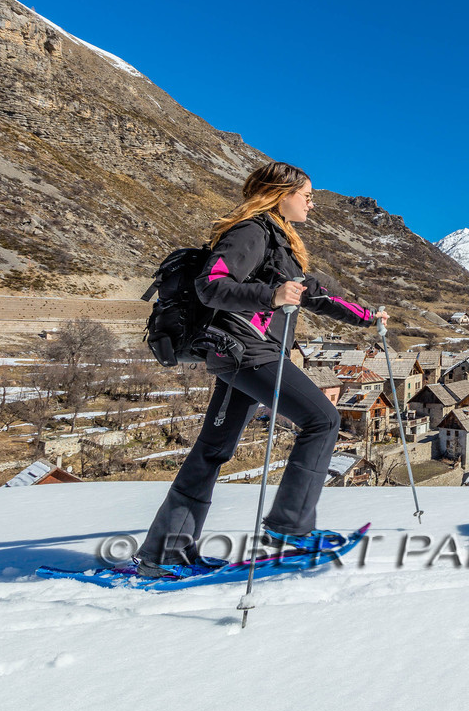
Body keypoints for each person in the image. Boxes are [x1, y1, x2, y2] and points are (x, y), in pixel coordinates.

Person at [134, 162, 384, 578]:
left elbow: (313, 296)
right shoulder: (252, 230)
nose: (312, 202)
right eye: (306, 194)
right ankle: (291, 527)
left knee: (212, 451)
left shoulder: (280, 243)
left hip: (243, 351)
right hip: (246, 350)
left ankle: (163, 554)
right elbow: (210, 285)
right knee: (322, 419)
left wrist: (369, 316)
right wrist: (271, 294)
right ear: (280, 193)